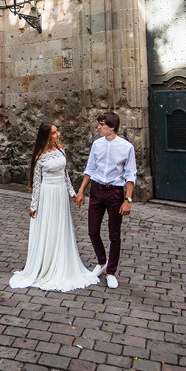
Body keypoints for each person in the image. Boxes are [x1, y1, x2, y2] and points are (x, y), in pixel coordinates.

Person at [9, 123, 100, 292]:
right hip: (48, 194)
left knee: (61, 228)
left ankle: (63, 261)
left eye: (57, 131)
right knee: (49, 228)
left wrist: (73, 193)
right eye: (53, 133)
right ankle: (48, 263)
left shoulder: (61, 149)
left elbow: (65, 175)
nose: (58, 134)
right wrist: (33, 205)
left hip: (60, 194)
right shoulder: (40, 156)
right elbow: (36, 183)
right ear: (46, 136)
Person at [75, 112, 137, 289]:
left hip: (115, 193)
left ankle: (111, 272)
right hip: (96, 190)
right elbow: (90, 168)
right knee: (92, 231)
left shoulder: (126, 147)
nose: (99, 127)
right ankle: (102, 263)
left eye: (102, 124)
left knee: (114, 234)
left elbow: (130, 174)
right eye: (99, 124)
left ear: (112, 127)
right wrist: (81, 191)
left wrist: (128, 200)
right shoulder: (97, 144)